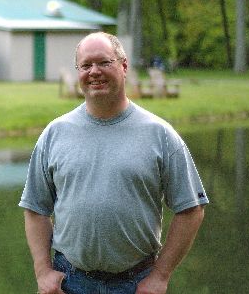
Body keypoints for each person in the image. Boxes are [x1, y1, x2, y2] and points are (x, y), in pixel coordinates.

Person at [19, 32, 208, 294]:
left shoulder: (160, 134)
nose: (94, 71)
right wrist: (43, 271)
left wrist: (161, 276)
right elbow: (35, 208)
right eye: (86, 65)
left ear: (124, 66)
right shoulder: (55, 133)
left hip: (136, 284)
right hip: (70, 283)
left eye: (104, 62)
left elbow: (191, 210)